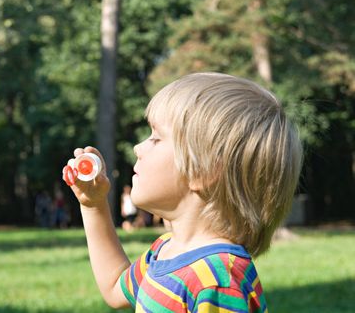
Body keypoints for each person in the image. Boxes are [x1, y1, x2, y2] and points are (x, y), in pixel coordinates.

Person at [62, 73, 302, 312]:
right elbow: (115, 287)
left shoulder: (217, 279)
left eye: (156, 138)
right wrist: (93, 205)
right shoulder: (165, 250)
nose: (138, 147)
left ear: (203, 172)